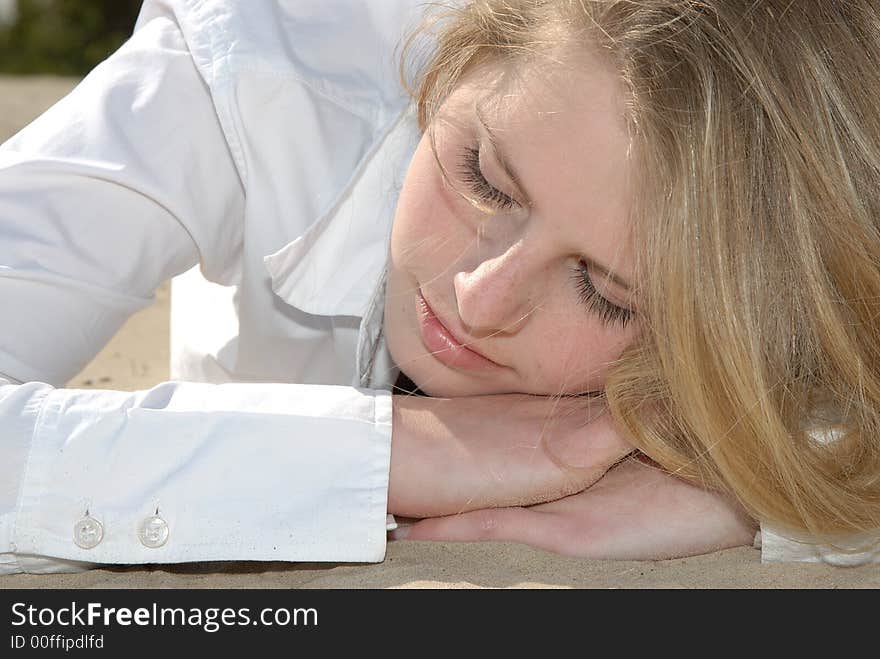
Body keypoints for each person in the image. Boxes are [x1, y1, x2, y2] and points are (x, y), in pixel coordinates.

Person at [0, 0, 876, 575]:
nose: (480, 299)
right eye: (486, 179)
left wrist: (744, 485)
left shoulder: (821, 190)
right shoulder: (247, 66)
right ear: (457, 61)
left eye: (608, 293)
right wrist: (391, 456)